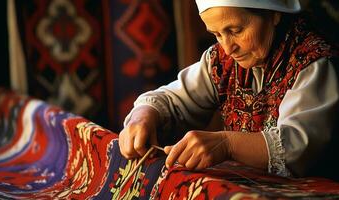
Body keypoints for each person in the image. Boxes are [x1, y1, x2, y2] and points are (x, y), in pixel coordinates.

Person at [119, 0, 339, 178]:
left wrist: (228, 144)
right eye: (217, 34)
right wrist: (143, 116)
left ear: (274, 14)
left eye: (235, 30)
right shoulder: (222, 61)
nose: (227, 47)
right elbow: (172, 100)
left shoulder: (312, 62)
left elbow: (298, 146)